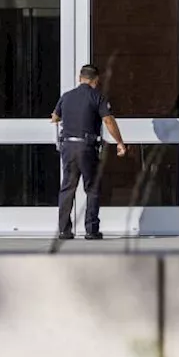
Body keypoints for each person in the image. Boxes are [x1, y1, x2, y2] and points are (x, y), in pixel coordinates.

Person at [51, 65, 127, 240]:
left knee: (67, 188)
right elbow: (108, 120)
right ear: (96, 80)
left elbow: (55, 118)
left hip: (68, 147)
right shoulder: (97, 96)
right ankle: (91, 230)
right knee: (92, 188)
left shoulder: (66, 96)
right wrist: (120, 142)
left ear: (80, 78)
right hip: (87, 148)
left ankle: (64, 230)